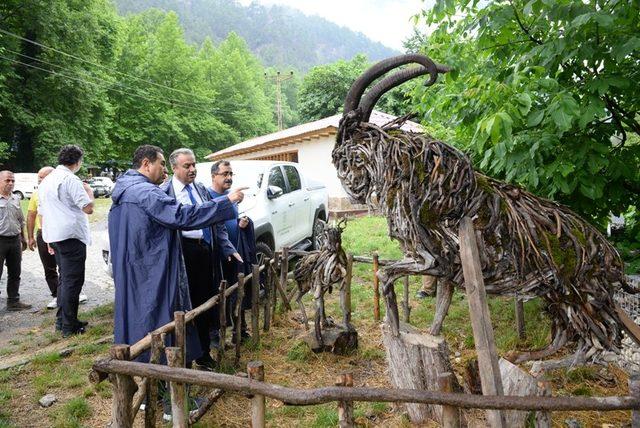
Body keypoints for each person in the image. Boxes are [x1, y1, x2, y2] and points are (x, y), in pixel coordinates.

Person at [108, 145, 245, 368]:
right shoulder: (148, 193)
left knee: (137, 318)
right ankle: (161, 373)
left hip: (133, 266)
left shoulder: (124, 191)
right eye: (162, 164)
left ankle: (140, 366)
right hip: (153, 268)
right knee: (157, 318)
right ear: (146, 164)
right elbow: (181, 215)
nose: (164, 170)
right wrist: (225, 202)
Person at [161, 148, 240, 370]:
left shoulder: (201, 190)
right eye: (187, 166)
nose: (193, 169)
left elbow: (215, 221)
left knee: (205, 304)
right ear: (174, 168)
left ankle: (203, 354)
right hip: (181, 253)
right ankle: (183, 357)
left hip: (203, 250)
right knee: (182, 307)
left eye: (194, 164)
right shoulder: (165, 193)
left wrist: (225, 247)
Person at [38, 146, 94, 336]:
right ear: (77, 161)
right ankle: (69, 326)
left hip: (54, 235)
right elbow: (88, 208)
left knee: (65, 280)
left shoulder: (47, 180)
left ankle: (63, 320)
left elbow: (42, 210)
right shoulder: (70, 179)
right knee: (73, 281)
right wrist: (89, 192)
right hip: (70, 236)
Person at [27, 166, 87, 310]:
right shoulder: (38, 193)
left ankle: (66, 297)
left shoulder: (57, 190)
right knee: (50, 268)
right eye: (38, 178)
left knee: (65, 269)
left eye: (42, 177)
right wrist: (31, 236)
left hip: (59, 233)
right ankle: (57, 296)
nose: (40, 180)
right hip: (45, 233)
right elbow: (33, 214)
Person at [209, 160, 256, 342]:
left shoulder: (232, 196)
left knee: (237, 292)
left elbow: (228, 223)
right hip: (217, 257)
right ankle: (217, 336)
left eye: (230, 174)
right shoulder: (209, 196)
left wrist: (241, 224)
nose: (229, 178)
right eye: (225, 174)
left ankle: (239, 330)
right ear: (214, 176)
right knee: (219, 297)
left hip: (234, 253)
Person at [0, 170, 31, 311]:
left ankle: (13, 302)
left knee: (15, 272)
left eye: (13, 181)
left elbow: (21, 220)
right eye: (8, 180)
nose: (11, 183)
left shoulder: (16, 198)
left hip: (14, 240)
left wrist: (23, 239)